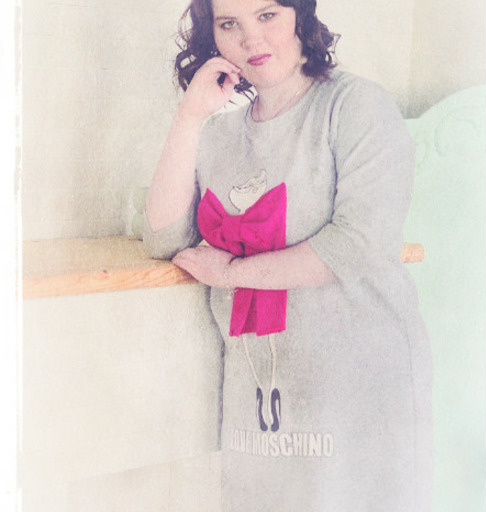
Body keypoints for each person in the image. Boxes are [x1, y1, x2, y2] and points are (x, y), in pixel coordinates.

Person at [143, 0, 433, 510]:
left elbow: (358, 242)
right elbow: (164, 238)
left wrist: (232, 273)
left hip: (358, 390)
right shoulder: (220, 134)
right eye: (229, 24)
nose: (250, 39)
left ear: (300, 14)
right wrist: (189, 115)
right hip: (261, 406)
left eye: (267, 15)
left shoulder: (356, 105)